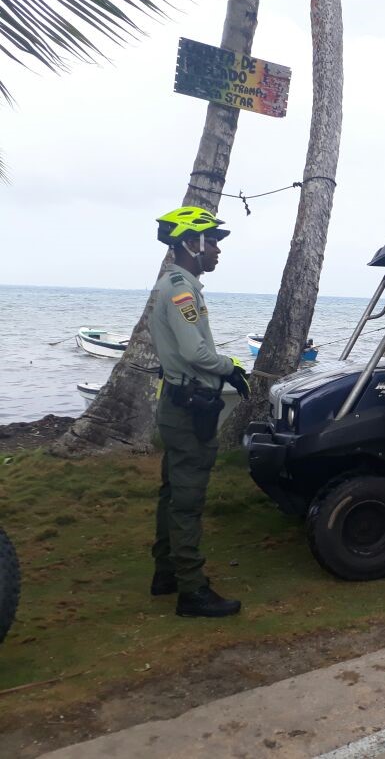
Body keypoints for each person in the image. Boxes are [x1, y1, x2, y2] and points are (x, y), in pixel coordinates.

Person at [150, 206, 251, 618]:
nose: (218, 252)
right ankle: (191, 590)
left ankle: (166, 572)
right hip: (189, 410)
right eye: (213, 243)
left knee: (172, 492)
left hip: (178, 403)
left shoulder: (177, 285)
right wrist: (231, 367)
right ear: (193, 243)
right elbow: (195, 352)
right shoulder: (180, 289)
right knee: (187, 500)